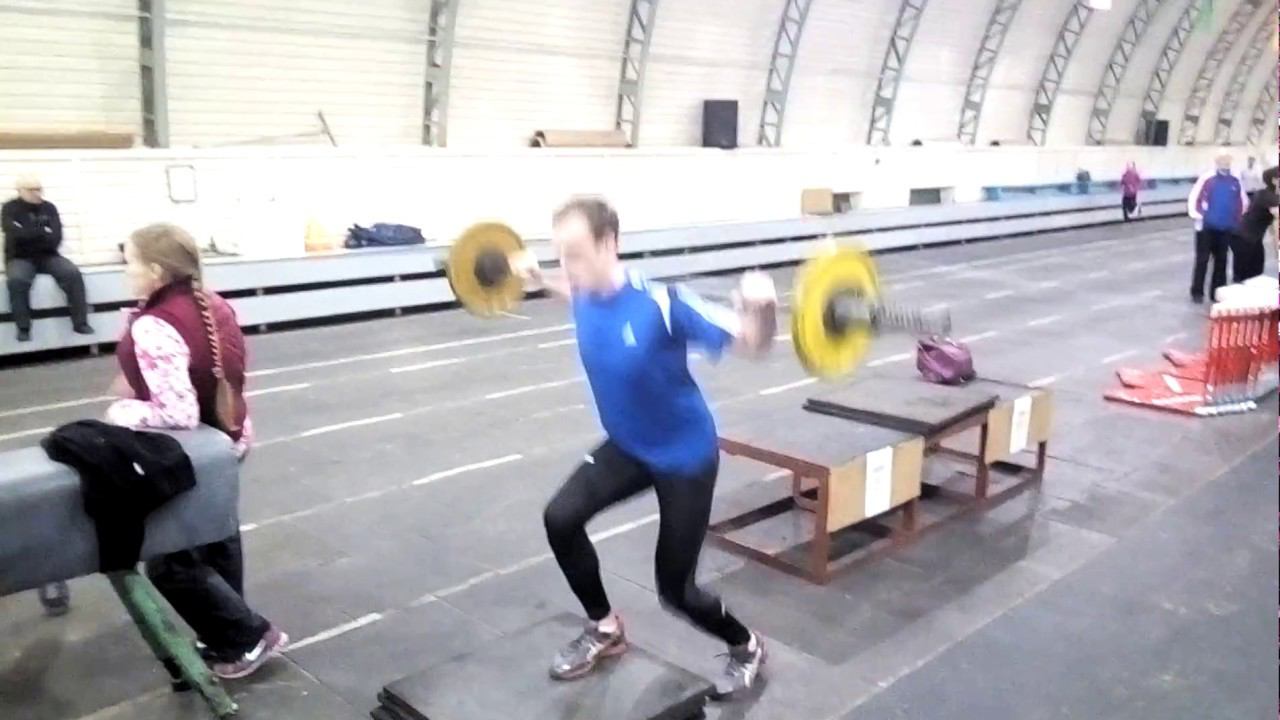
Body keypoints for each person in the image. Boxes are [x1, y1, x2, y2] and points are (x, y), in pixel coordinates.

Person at [526, 197, 775, 700]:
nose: (567, 267)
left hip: (685, 457)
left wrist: (762, 308)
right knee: (560, 518)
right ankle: (604, 627)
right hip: (630, 446)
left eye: (576, 254)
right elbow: (569, 291)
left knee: (676, 591)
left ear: (610, 244)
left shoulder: (663, 305)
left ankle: (745, 644)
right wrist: (538, 278)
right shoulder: (582, 290)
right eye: (560, 255)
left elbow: (754, 342)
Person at [106, 222, 287, 680]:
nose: (126, 271)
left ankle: (247, 637)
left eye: (130, 263)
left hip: (195, 453)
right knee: (219, 540)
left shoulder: (155, 325)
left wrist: (124, 410)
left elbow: (178, 412)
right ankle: (227, 633)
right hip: (229, 438)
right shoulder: (213, 303)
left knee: (171, 564)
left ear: (155, 270)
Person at [3, 175, 93, 342]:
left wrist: (28, 232)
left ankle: (80, 323)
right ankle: (23, 327)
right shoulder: (9, 208)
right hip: (19, 257)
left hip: (48, 255)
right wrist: (42, 231)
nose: (37, 193)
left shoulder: (49, 208)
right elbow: (13, 233)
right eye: (32, 190)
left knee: (72, 273)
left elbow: (56, 236)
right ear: (20, 191)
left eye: (39, 189)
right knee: (16, 280)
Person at [1187, 153, 1248, 303]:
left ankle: (1217, 292)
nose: (1225, 163)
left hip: (1226, 228)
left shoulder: (1235, 180)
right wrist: (1199, 216)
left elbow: (1242, 202)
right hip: (1205, 228)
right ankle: (1197, 292)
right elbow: (1194, 198)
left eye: (1227, 160)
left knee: (1222, 261)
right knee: (1202, 260)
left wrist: (1236, 221)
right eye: (1222, 160)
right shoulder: (1207, 178)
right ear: (1217, 162)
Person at [1232, 165, 1278, 283]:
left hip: (1253, 238)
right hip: (1243, 237)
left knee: (1256, 272)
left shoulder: (1268, 194)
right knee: (1244, 274)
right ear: (1274, 180)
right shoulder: (1267, 196)